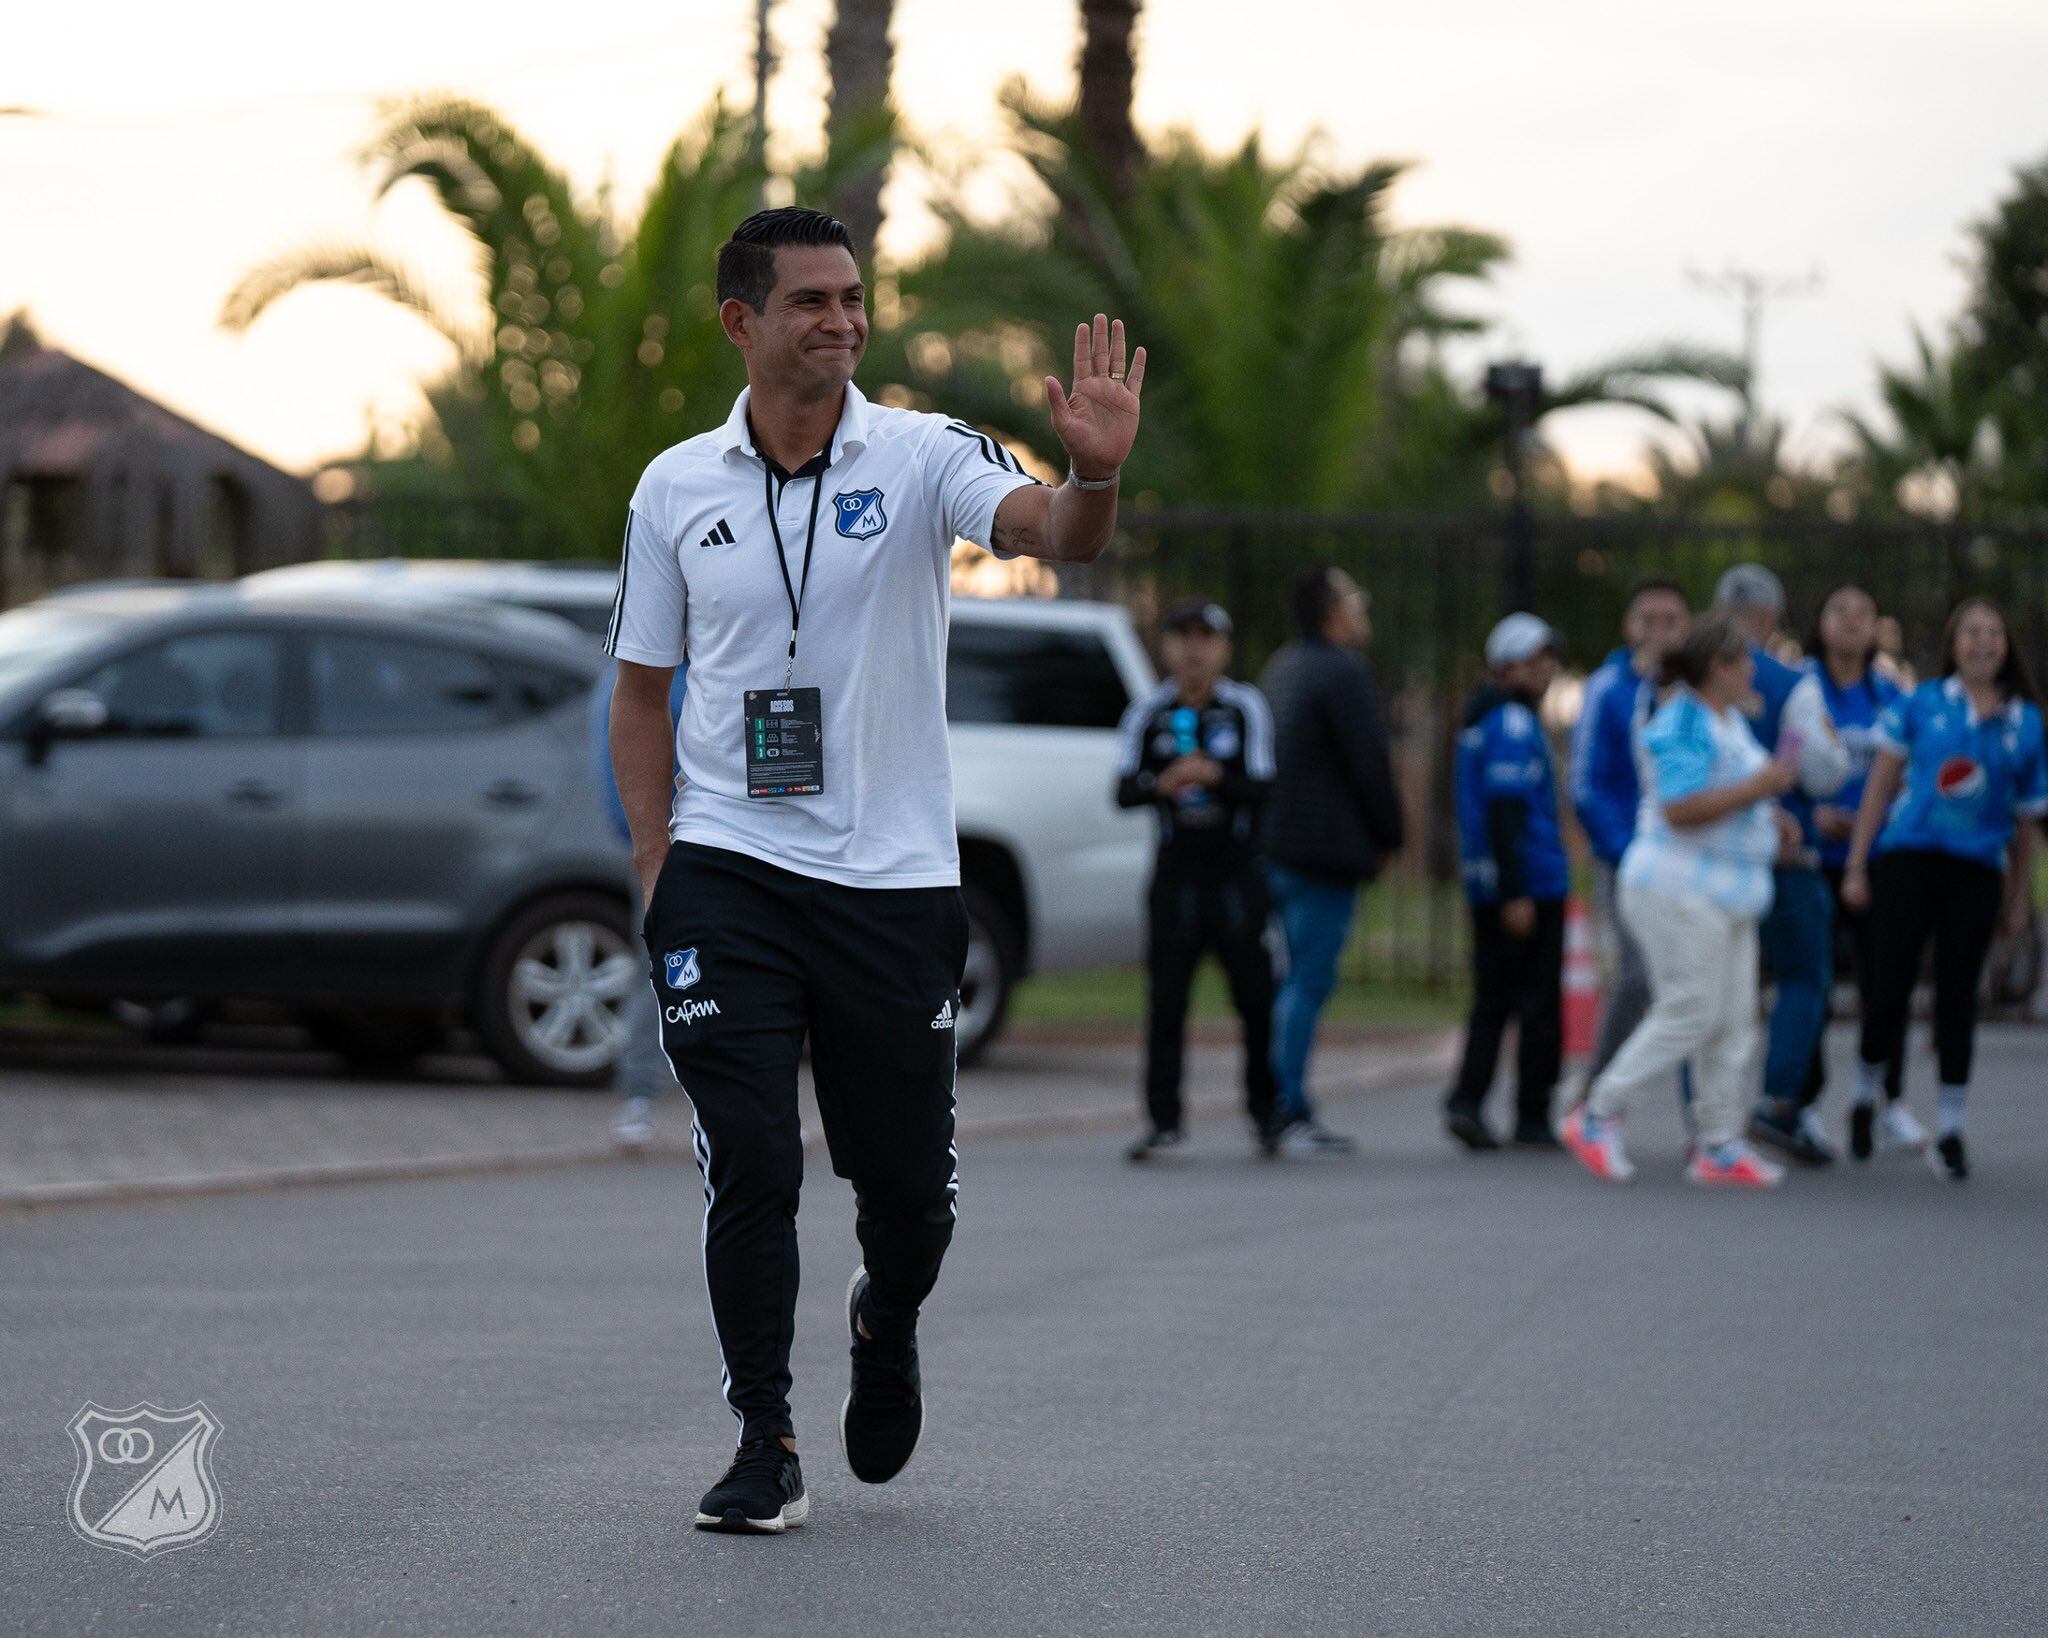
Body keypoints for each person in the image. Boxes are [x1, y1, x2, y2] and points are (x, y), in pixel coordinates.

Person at [606, 207, 1146, 1532]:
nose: (843, 319)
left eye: (854, 296)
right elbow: (639, 691)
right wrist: (657, 859)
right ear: (743, 323)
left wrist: (1095, 482)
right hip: (731, 864)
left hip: (894, 881)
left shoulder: (916, 455)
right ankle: (763, 1439)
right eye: (811, 301)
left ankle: (885, 1313)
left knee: (905, 1193)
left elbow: (1047, 532)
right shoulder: (675, 488)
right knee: (752, 1154)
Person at [1561, 614, 1799, 1188]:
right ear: (1717, 667)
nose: (1752, 670)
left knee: (1734, 1021)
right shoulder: (1682, 721)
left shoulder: (1728, 722)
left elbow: (1736, 793)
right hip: (1676, 888)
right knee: (1690, 1010)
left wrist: (1773, 818)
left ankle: (1718, 1143)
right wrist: (1757, 790)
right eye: (1743, 660)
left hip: (1729, 893)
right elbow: (1679, 807)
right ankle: (1598, 1113)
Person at [1841, 598, 2045, 1183]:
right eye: (1972, 633)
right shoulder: (1920, 704)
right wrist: (1858, 864)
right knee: (1889, 986)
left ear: (2006, 647)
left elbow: (2025, 823)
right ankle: (1864, 1094)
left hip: (1975, 870)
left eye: (1994, 633)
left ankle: (1951, 1126)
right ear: (1954, 644)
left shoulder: (2024, 722)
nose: (1983, 643)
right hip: (1908, 860)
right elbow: (1879, 789)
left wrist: (2017, 898)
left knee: (1958, 997)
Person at [1113, 598, 1279, 1160]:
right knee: (1166, 1001)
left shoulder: (1244, 708)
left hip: (1234, 877)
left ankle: (1266, 1115)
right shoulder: (1148, 712)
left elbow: (1262, 786)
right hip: (1176, 877)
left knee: (1256, 998)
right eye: (1182, 637)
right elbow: (1122, 791)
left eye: (1205, 638)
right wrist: (1163, 784)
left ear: (1223, 648)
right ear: (1167, 647)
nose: (1193, 650)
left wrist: (1215, 775)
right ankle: (1163, 1121)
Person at [1257, 566, 1405, 1157]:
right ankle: (1287, 1106)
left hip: (1276, 846)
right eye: (1353, 597)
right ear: (1332, 612)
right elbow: (1367, 761)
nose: (1361, 607)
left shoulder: (1281, 667)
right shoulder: (1343, 673)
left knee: (1285, 979)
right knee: (1308, 980)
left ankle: (1275, 1101)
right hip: (1324, 851)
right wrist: (1391, 833)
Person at [1712, 565, 1851, 1168]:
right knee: (1802, 974)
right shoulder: (1792, 682)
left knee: (1713, 987)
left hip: (1705, 857)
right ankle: (1776, 1101)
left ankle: (1707, 1121)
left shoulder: (1682, 678)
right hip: (1781, 856)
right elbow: (1823, 772)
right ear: (1771, 619)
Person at [1443, 614, 1568, 1151]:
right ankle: (1532, 1113)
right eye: (1535, 660)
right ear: (1506, 667)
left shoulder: (1483, 721)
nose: (1547, 670)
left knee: (1492, 999)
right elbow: (1506, 813)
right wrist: (1517, 891)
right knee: (1537, 1002)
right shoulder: (1513, 724)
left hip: (1491, 883)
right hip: (1527, 884)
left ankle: (1469, 1099)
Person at [1798, 585, 1912, 1159]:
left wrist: (1870, 820)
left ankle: (1887, 1101)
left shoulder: (1892, 695)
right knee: (1812, 984)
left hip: (1877, 859)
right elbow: (1782, 761)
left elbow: (1910, 778)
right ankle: (1806, 1106)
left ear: (1875, 629)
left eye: (1863, 613)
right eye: (1838, 609)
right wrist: (1810, 811)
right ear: (1820, 623)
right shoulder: (1801, 688)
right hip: (1814, 859)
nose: (1850, 621)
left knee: (1886, 984)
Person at [1569, 578, 1691, 1096]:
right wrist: (1625, 849)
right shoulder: (1608, 687)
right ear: (1629, 625)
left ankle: (1707, 1119)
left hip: (1693, 860)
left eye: (1672, 620)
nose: (1659, 631)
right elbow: (1584, 782)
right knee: (1639, 975)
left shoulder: (1699, 688)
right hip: (1630, 859)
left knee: (1698, 984)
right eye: (1649, 619)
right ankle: (1598, 1088)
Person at [587, 658, 688, 1150]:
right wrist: (644, 846)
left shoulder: (720, 660)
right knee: (657, 967)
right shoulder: (641, 671)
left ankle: (742, 1098)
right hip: (667, 848)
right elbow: (619, 755)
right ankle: (638, 1096)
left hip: (721, 844)